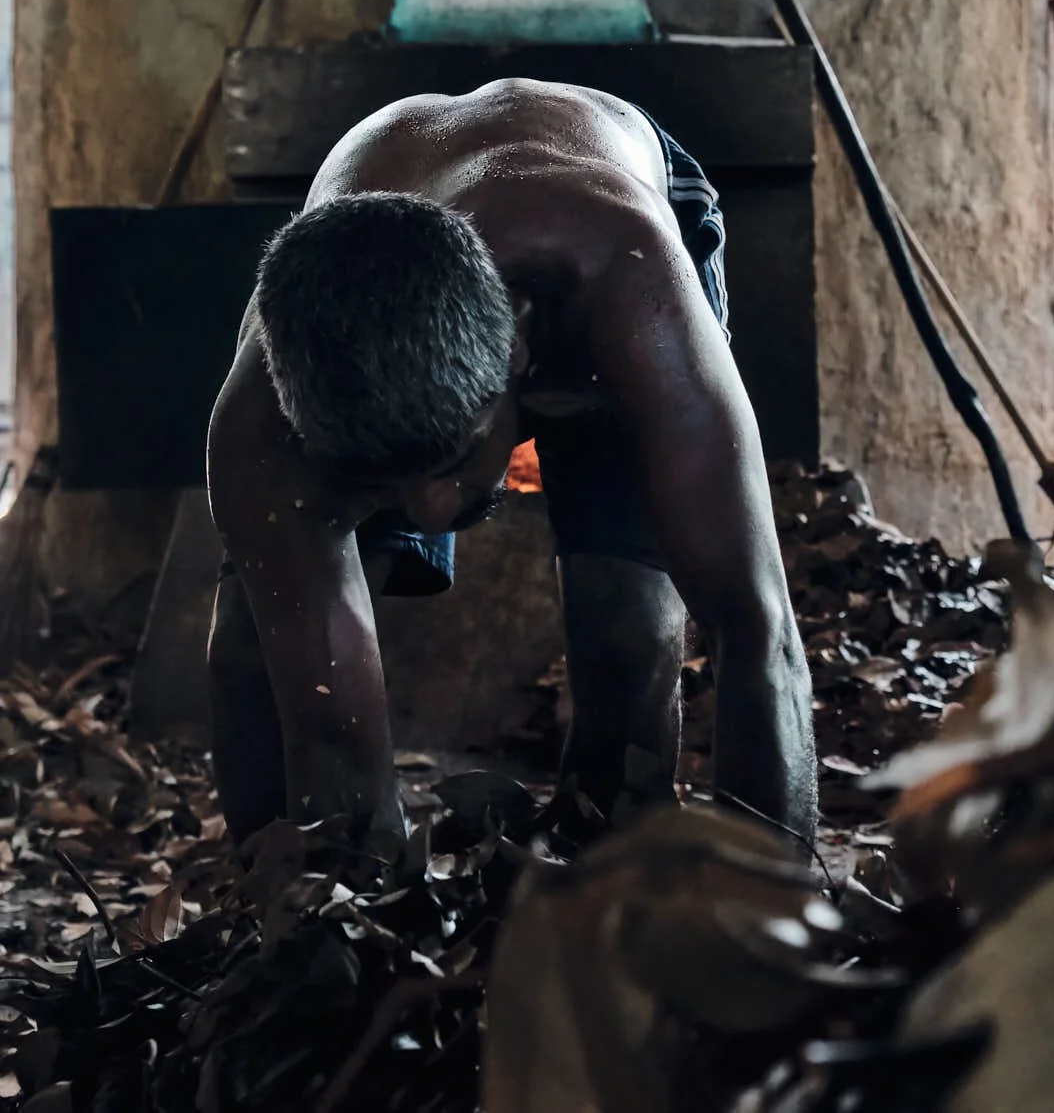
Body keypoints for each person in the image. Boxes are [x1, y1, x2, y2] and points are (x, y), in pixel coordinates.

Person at [206, 77, 817, 849]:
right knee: (254, 651)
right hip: (380, 250)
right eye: (384, 486)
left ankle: (606, 860)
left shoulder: (628, 280)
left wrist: (779, 901)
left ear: (520, 354)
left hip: (600, 203)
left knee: (626, 625)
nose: (431, 512)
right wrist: (325, 892)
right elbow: (324, 733)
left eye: (453, 460)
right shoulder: (261, 417)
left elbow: (758, 635)